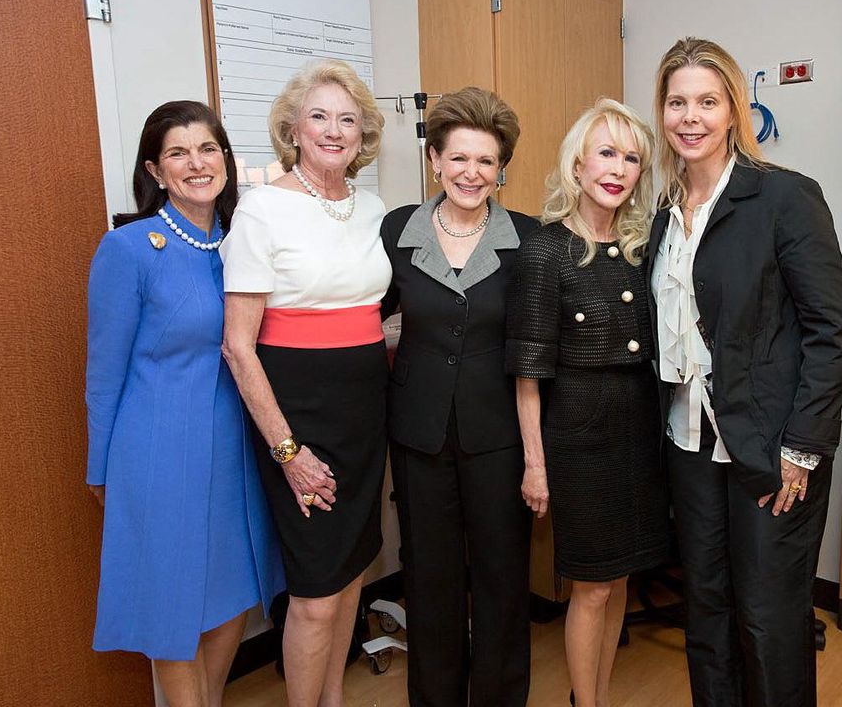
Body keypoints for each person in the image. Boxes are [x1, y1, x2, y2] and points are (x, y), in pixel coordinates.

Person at [649, 37, 842, 707]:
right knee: (705, 612)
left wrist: (803, 448)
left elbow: (832, 330)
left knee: (768, 620)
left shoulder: (783, 198)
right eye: (677, 101)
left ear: (734, 109)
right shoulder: (663, 217)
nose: (690, 117)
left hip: (769, 448)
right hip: (689, 444)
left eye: (707, 101)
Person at [86, 100, 285, 706]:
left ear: (225, 158)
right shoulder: (127, 248)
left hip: (232, 448)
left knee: (231, 597)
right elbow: (102, 373)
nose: (196, 163)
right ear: (155, 169)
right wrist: (101, 470)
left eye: (207, 148)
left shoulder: (240, 244)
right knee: (171, 614)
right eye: (178, 152)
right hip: (157, 453)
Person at [219, 60, 389, 707]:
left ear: (364, 134)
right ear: (292, 127)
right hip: (299, 420)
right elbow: (239, 346)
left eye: (348, 119)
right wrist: (288, 451)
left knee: (351, 577)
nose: (333, 129)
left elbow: (374, 309)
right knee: (316, 595)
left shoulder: (371, 208)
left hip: (365, 415)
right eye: (318, 115)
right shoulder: (262, 209)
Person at [506, 99, 668, 707]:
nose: (618, 168)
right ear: (578, 163)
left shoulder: (639, 247)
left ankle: (594, 696)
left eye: (631, 158)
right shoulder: (545, 251)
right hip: (577, 431)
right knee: (592, 586)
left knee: (622, 576)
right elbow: (527, 372)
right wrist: (536, 463)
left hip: (637, 429)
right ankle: (587, 701)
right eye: (606, 152)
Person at [380, 87, 535, 707]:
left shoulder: (528, 239)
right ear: (435, 161)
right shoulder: (397, 231)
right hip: (418, 433)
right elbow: (366, 316)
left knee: (501, 580)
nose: (472, 173)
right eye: (460, 158)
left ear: (501, 170)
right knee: (431, 580)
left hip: (497, 435)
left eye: (486, 162)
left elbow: (536, 345)